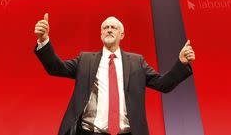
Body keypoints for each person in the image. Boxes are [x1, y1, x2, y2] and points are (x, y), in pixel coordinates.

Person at [34, 13, 195, 135]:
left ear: (121, 35)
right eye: (105, 27)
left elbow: (163, 84)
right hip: (89, 132)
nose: (109, 29)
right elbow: (56, 68)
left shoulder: (136, 62)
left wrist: (181, 63)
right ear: (101, 34)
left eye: (114, 27)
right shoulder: (85, 60)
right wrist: (44, 40)